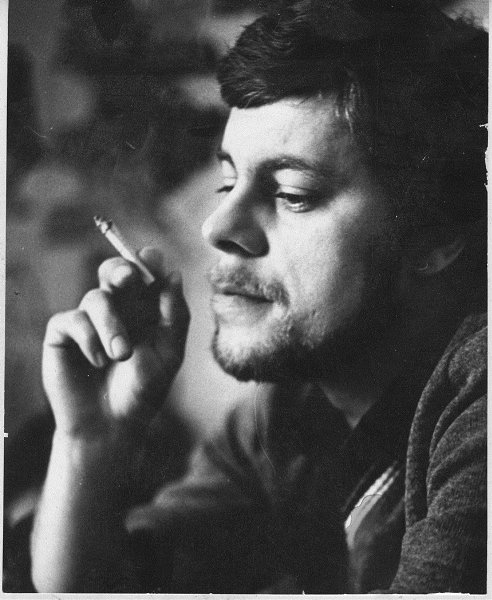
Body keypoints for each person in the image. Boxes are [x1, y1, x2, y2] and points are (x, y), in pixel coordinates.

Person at [31, 0, 487, 593]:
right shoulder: (286, 412)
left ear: (436, 236)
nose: (217, 226)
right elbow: (102, 586)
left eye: (293, 194)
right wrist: (90, 443)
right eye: (228, 182)